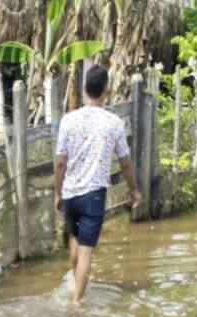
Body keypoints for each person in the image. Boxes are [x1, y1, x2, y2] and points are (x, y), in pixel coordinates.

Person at [54, 65, 143, 302]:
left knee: (75, 241)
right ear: (106, 90)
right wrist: (133, 190)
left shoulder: (68, 120)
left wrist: (57, 193)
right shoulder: (113, 123)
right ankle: (76, 304)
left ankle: (77, 283)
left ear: (84, 89)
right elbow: (125, 163)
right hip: (93, 196)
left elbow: (60, 162)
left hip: (71, 194)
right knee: (86, 253)